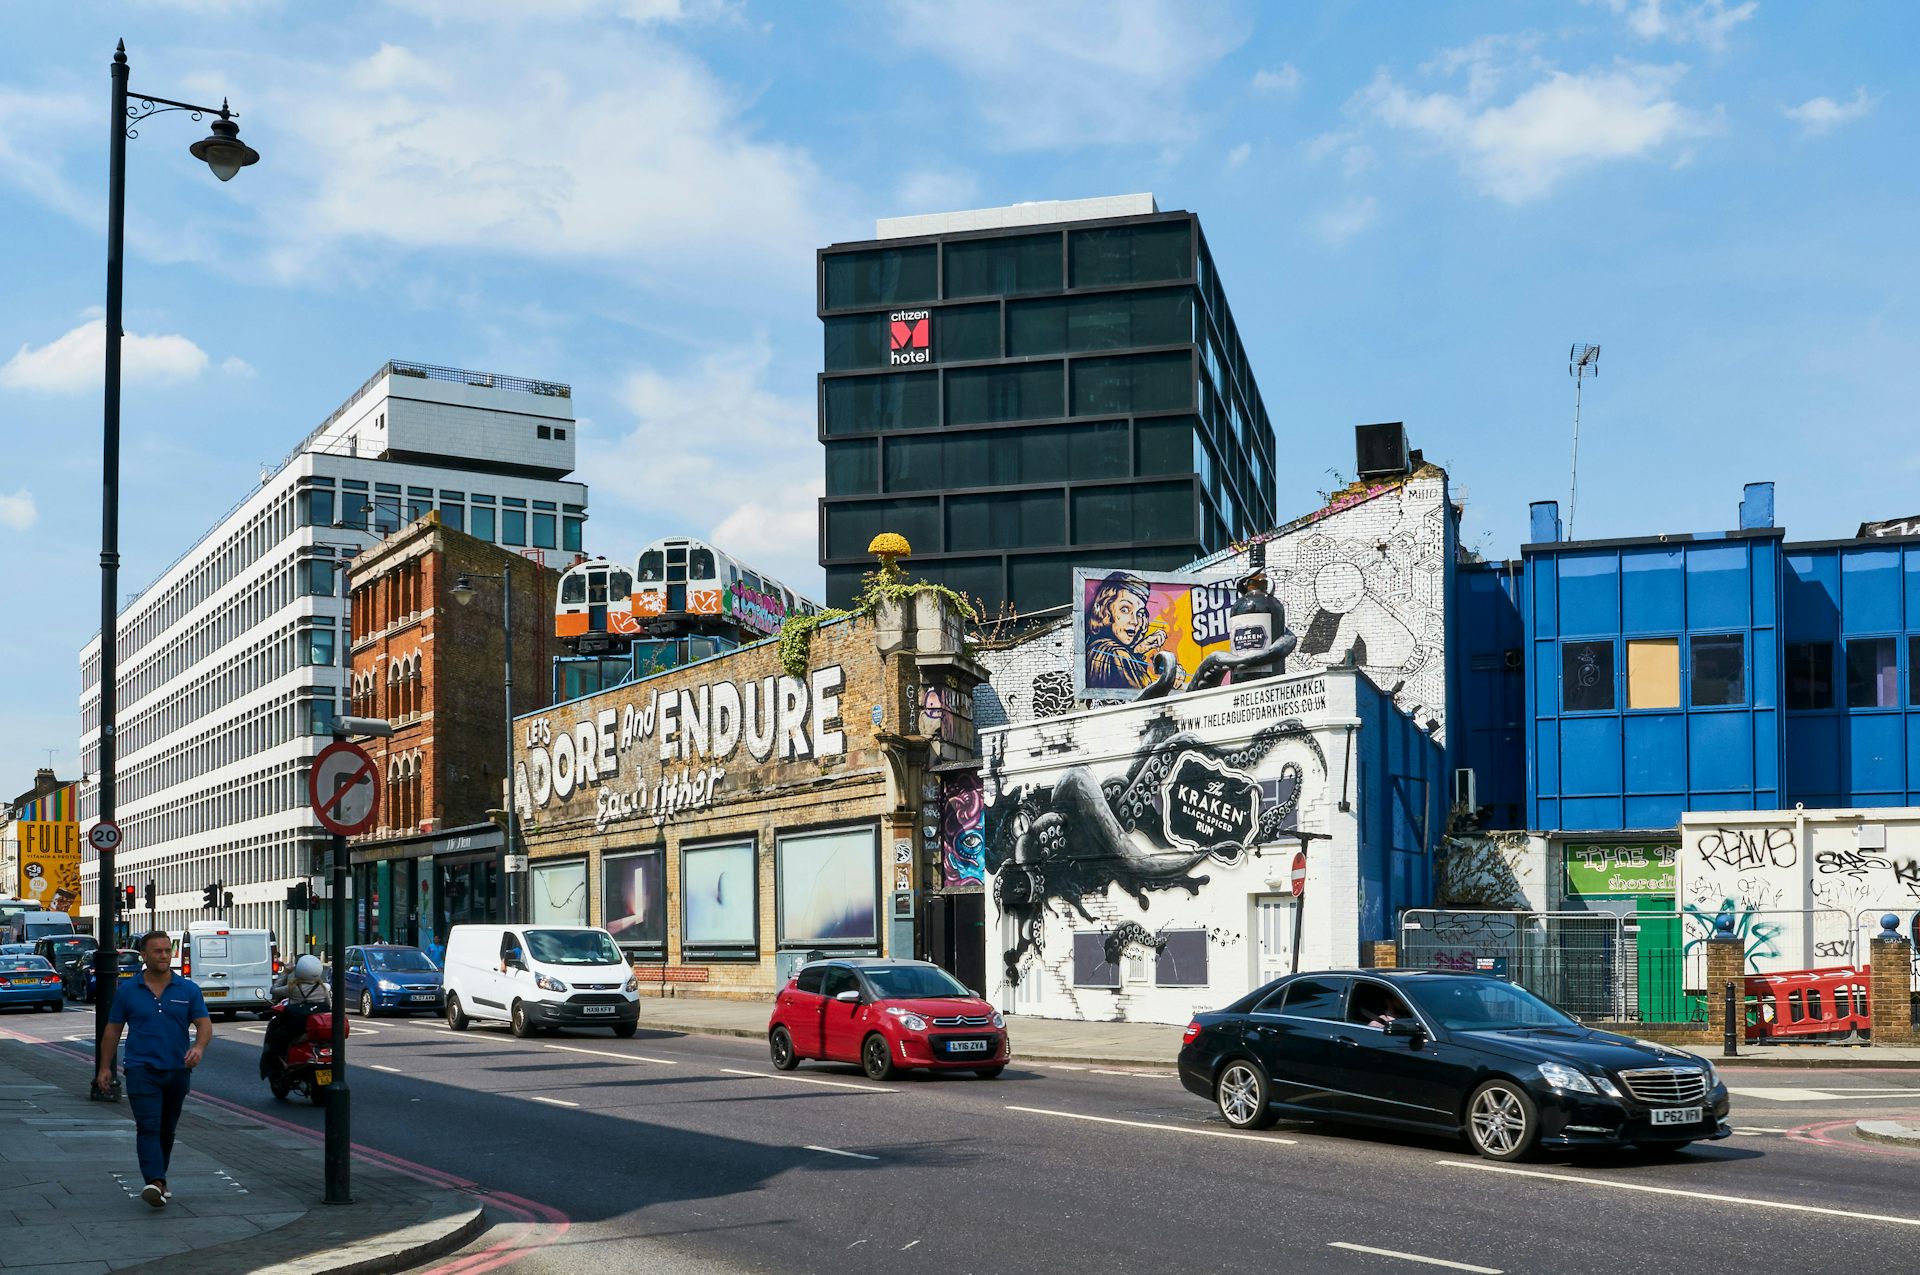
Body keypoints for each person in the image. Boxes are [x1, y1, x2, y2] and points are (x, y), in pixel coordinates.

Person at [96, 931, 211, 1209]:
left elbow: (204, 1025)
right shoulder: (128, 990)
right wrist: (104, 1068)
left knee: (166, 1129)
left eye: (166, 951)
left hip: (177, 1070)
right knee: (148, 1126)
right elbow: (112, 1030)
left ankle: (160, 1180)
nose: (163, 956)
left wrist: (198, 1048)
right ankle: (155, 1181)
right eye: (156, 951)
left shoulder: (188, 989)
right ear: (144, 956)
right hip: (141, 1069)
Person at [1084, 572, 1167, 691]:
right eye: (1125, 609)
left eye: (1139, 613)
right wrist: (1170, 680)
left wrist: (1137, 651)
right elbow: (1146, 697)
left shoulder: (1096, 648)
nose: (1135, 621)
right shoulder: (1116, 654)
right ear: (1106, 611)